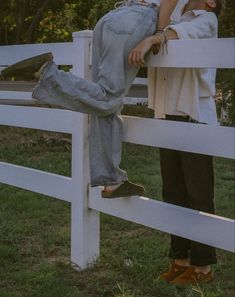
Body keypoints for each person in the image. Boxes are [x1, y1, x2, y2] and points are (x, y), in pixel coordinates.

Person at [1, 0, 181, 198]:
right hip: (138, 19)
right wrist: (159, 32)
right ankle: (47, 74)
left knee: (99, 98)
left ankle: (112, 180)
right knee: (108, 97)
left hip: (112, 19)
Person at [129, 0, 222, 285]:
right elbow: (158, 12)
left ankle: (203, 266)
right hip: (167, 113)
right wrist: (157, 29)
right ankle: (180, 259)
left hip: (193, 114)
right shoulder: (173, 13)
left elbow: (180, 34)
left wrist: (155, 38)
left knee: (198, 193)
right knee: (173, 191)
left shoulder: (206, 19)